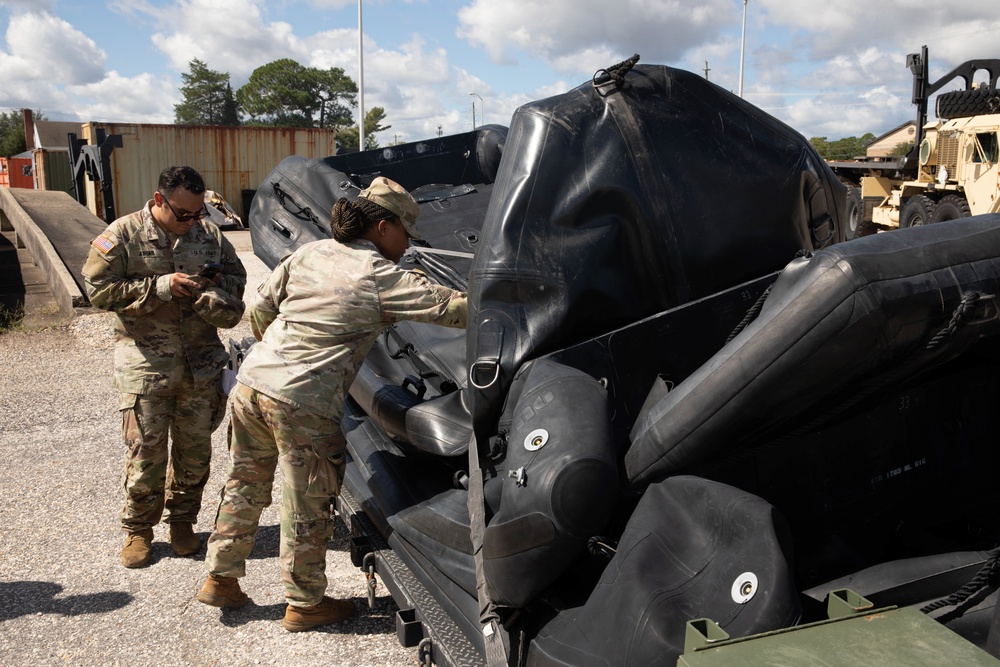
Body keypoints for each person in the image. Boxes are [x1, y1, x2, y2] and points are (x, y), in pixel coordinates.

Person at [197, 176, 467, 632]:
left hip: (253, 383)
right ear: (383, 227)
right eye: (406, 233)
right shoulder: (380, 275)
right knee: (307, 498)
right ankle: (304, 604)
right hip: (302, 402)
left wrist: (281, 361)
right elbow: (454, 309)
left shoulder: (310, 252)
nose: (408, 245)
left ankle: (221, 578)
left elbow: (261, 311)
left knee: (245, 481)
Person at [82, 165, 247, 569]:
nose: (192, 222)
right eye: (183, 213)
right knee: (146, 453)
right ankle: (138, 530)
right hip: (146, 365)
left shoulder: (208, 235)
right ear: (159, 200)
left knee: (195, 454)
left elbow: (238, 280)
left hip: (201, 366)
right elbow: (96, 292)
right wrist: (160, 286)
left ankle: (183, 523)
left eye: (198, 213)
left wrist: (212, 287)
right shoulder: (122, 234)